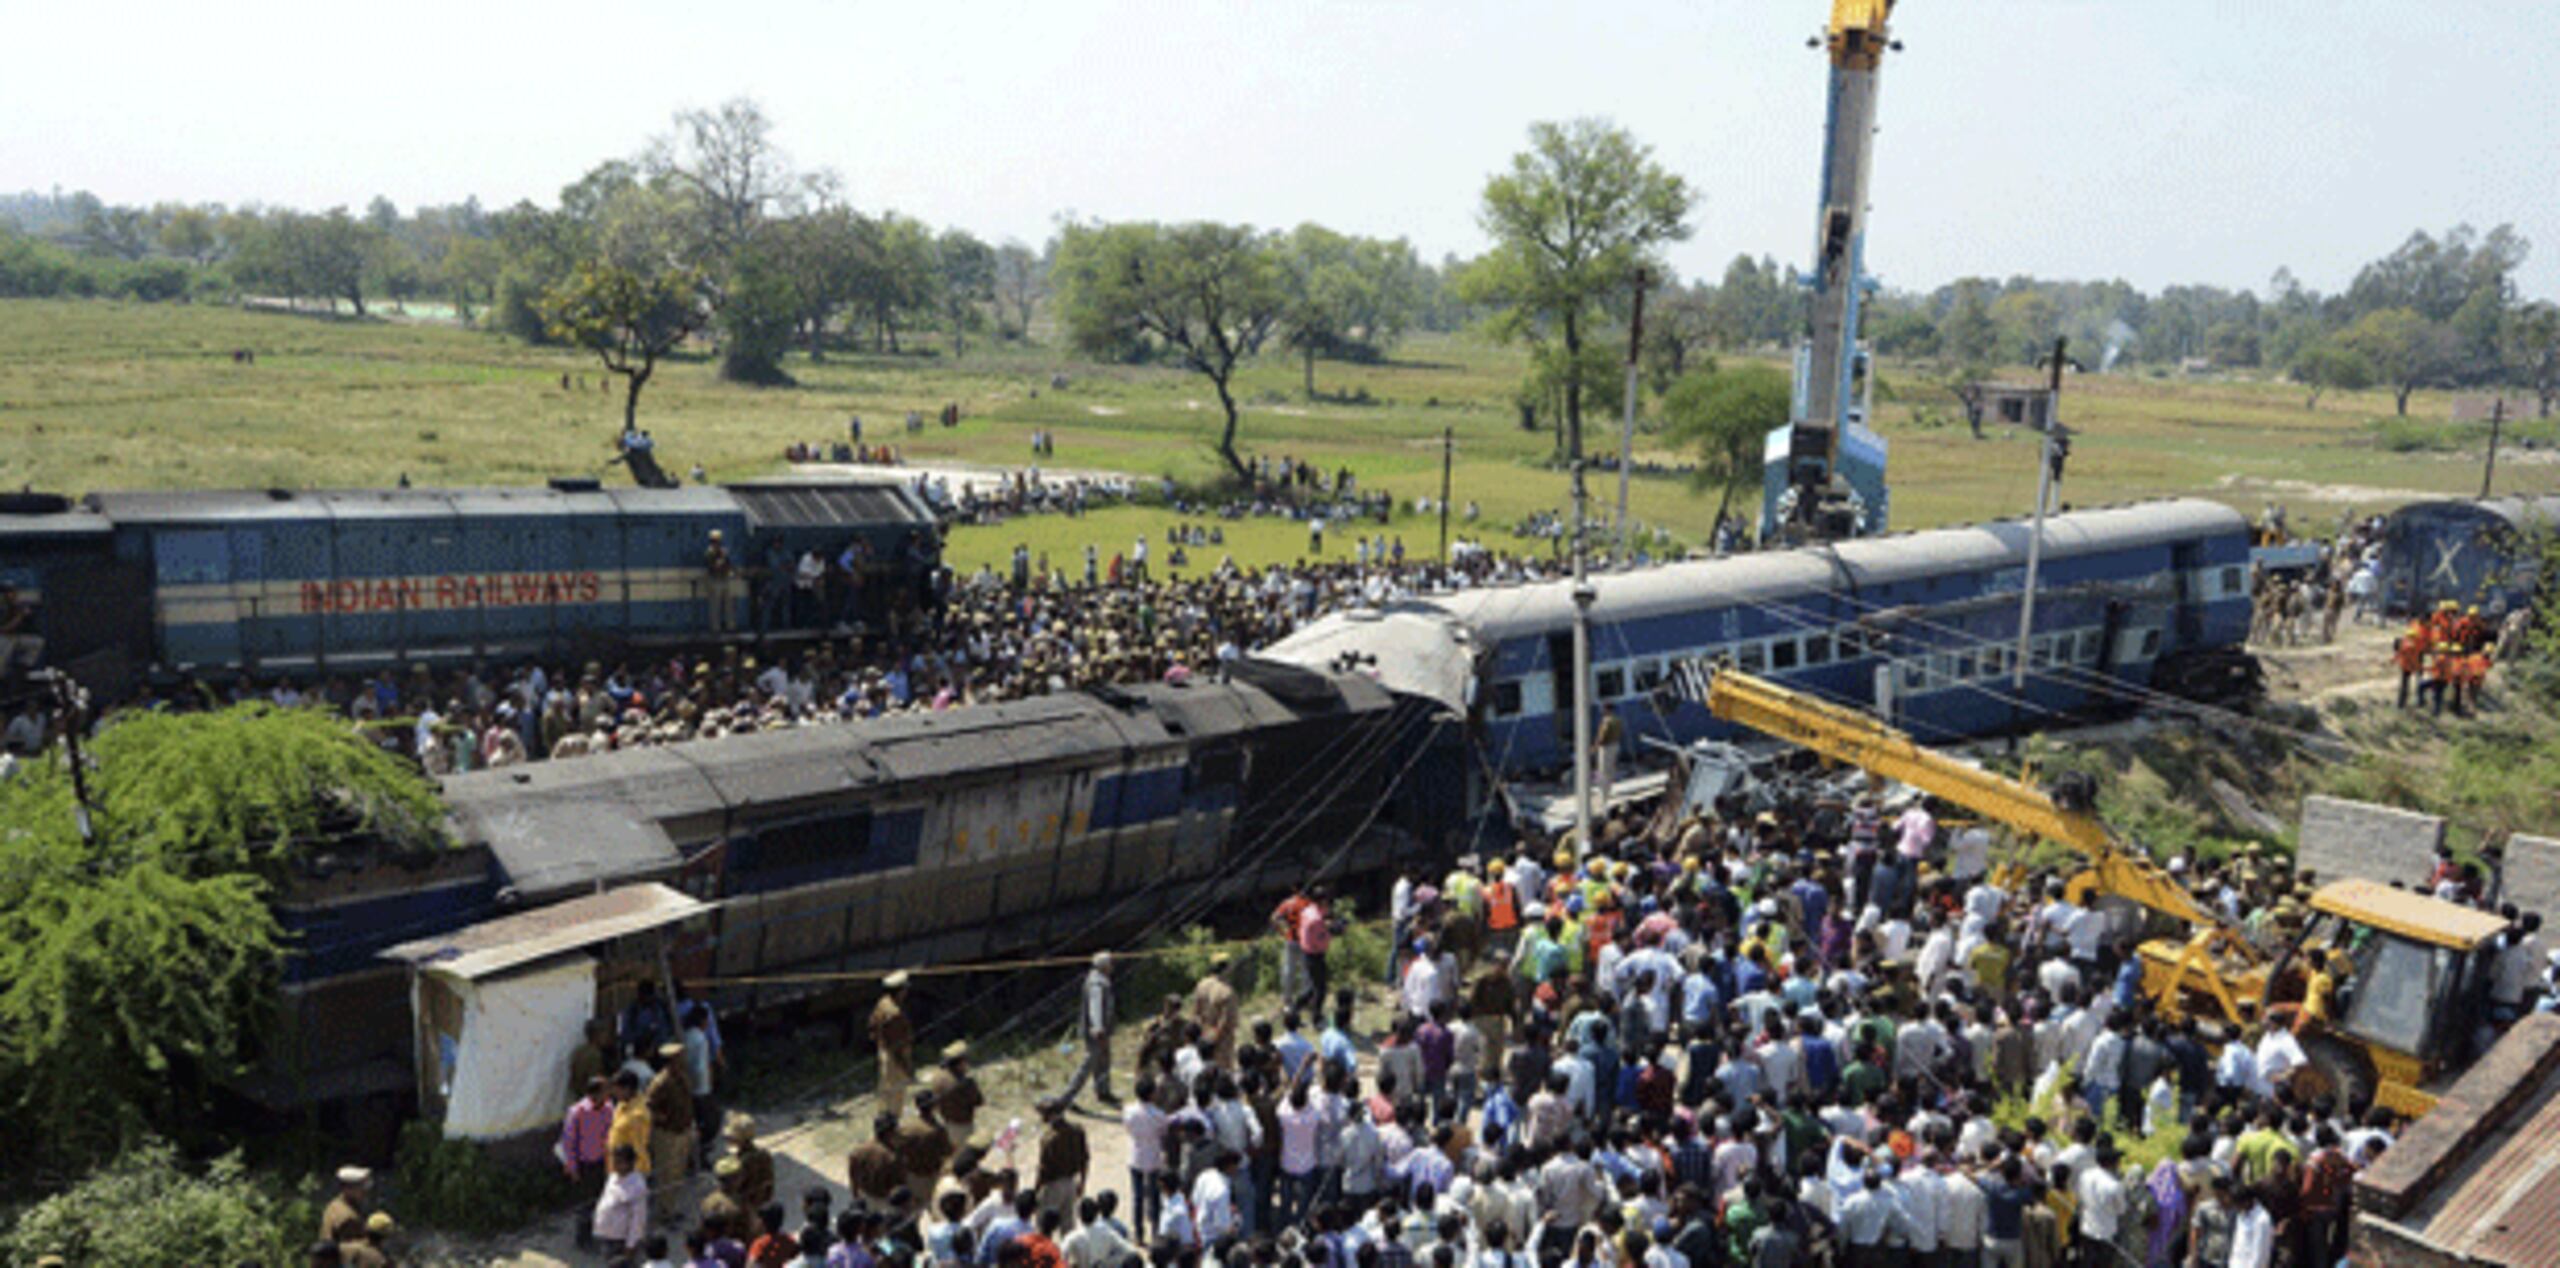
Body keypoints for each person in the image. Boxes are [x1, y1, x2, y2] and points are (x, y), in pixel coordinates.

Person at [1059, 952, 1120, 1106]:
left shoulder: (1100, 980)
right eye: (1111, 963)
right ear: (1104, 966)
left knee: (1104, 1061)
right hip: (1096, 1032)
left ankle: (1103, 1091)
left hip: (1102, 1030)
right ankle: (1067, 1097)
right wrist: (1098, 1027)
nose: (1113, 966)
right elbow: (1095, 1007)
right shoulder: (1097, 984)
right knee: (1089, 1064)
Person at [563, 1077, 617, 1249]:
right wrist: (572, 1168)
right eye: (604, 1091)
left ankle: (598, 1234)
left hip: (603, 1162)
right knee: (586, 1204)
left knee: (602, 1200)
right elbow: (569, 1142)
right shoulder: (577, 1112)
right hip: (585, 1165)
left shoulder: (609, 1109)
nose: (608, 1094)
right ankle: (583, 1239)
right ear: (594, 1094)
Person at [647, 1041, 698, 1221]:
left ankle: (671, 1208)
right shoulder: (660, 1083)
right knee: (666, 1175)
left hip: (682, 1130)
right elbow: (650, 1108)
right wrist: (664, 1119)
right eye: (679, 1058)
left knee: (678, 1173)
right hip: (667, 1134)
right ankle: (664, 1212)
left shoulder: (682, 1077)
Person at [1034, 1096, 1090, 1220]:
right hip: (1071, 1183)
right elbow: (1085, 1159)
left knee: (1045, 1223)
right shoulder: (1077, 1130)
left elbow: (1043, 1168)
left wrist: (1036, 1190)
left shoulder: (1049, 1138)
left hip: (1052, 1185)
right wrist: (1082, 1182)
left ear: (1051, 1115)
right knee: (1068, 1224)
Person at [595, 1144, 653, 1261]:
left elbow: (638, 1219)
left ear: (630, 1163)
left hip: (620, 1239)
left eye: (619, 1162)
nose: (614, 1165)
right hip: (606, 1233)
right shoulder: (613, 1177)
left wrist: (630, 1246)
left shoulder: (637, 1186)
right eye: (614, 1161)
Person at [875, 971, 917, 1109]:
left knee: (886, 1093)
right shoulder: (895, 1014)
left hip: (884, 1051)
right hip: (894, 1058)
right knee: (896, 1097)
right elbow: (897, 1046)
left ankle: (884, 1121)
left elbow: (871, 1027)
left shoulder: (882, 1003)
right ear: (900, 991)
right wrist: (907, 1068)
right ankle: (892, 1125)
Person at [321, 1166, 373, 1246]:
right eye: (360, 1187)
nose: (365, 1191)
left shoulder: (334, 1204)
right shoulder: (348, 1219)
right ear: (347, 1189)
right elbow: (356, 1250)